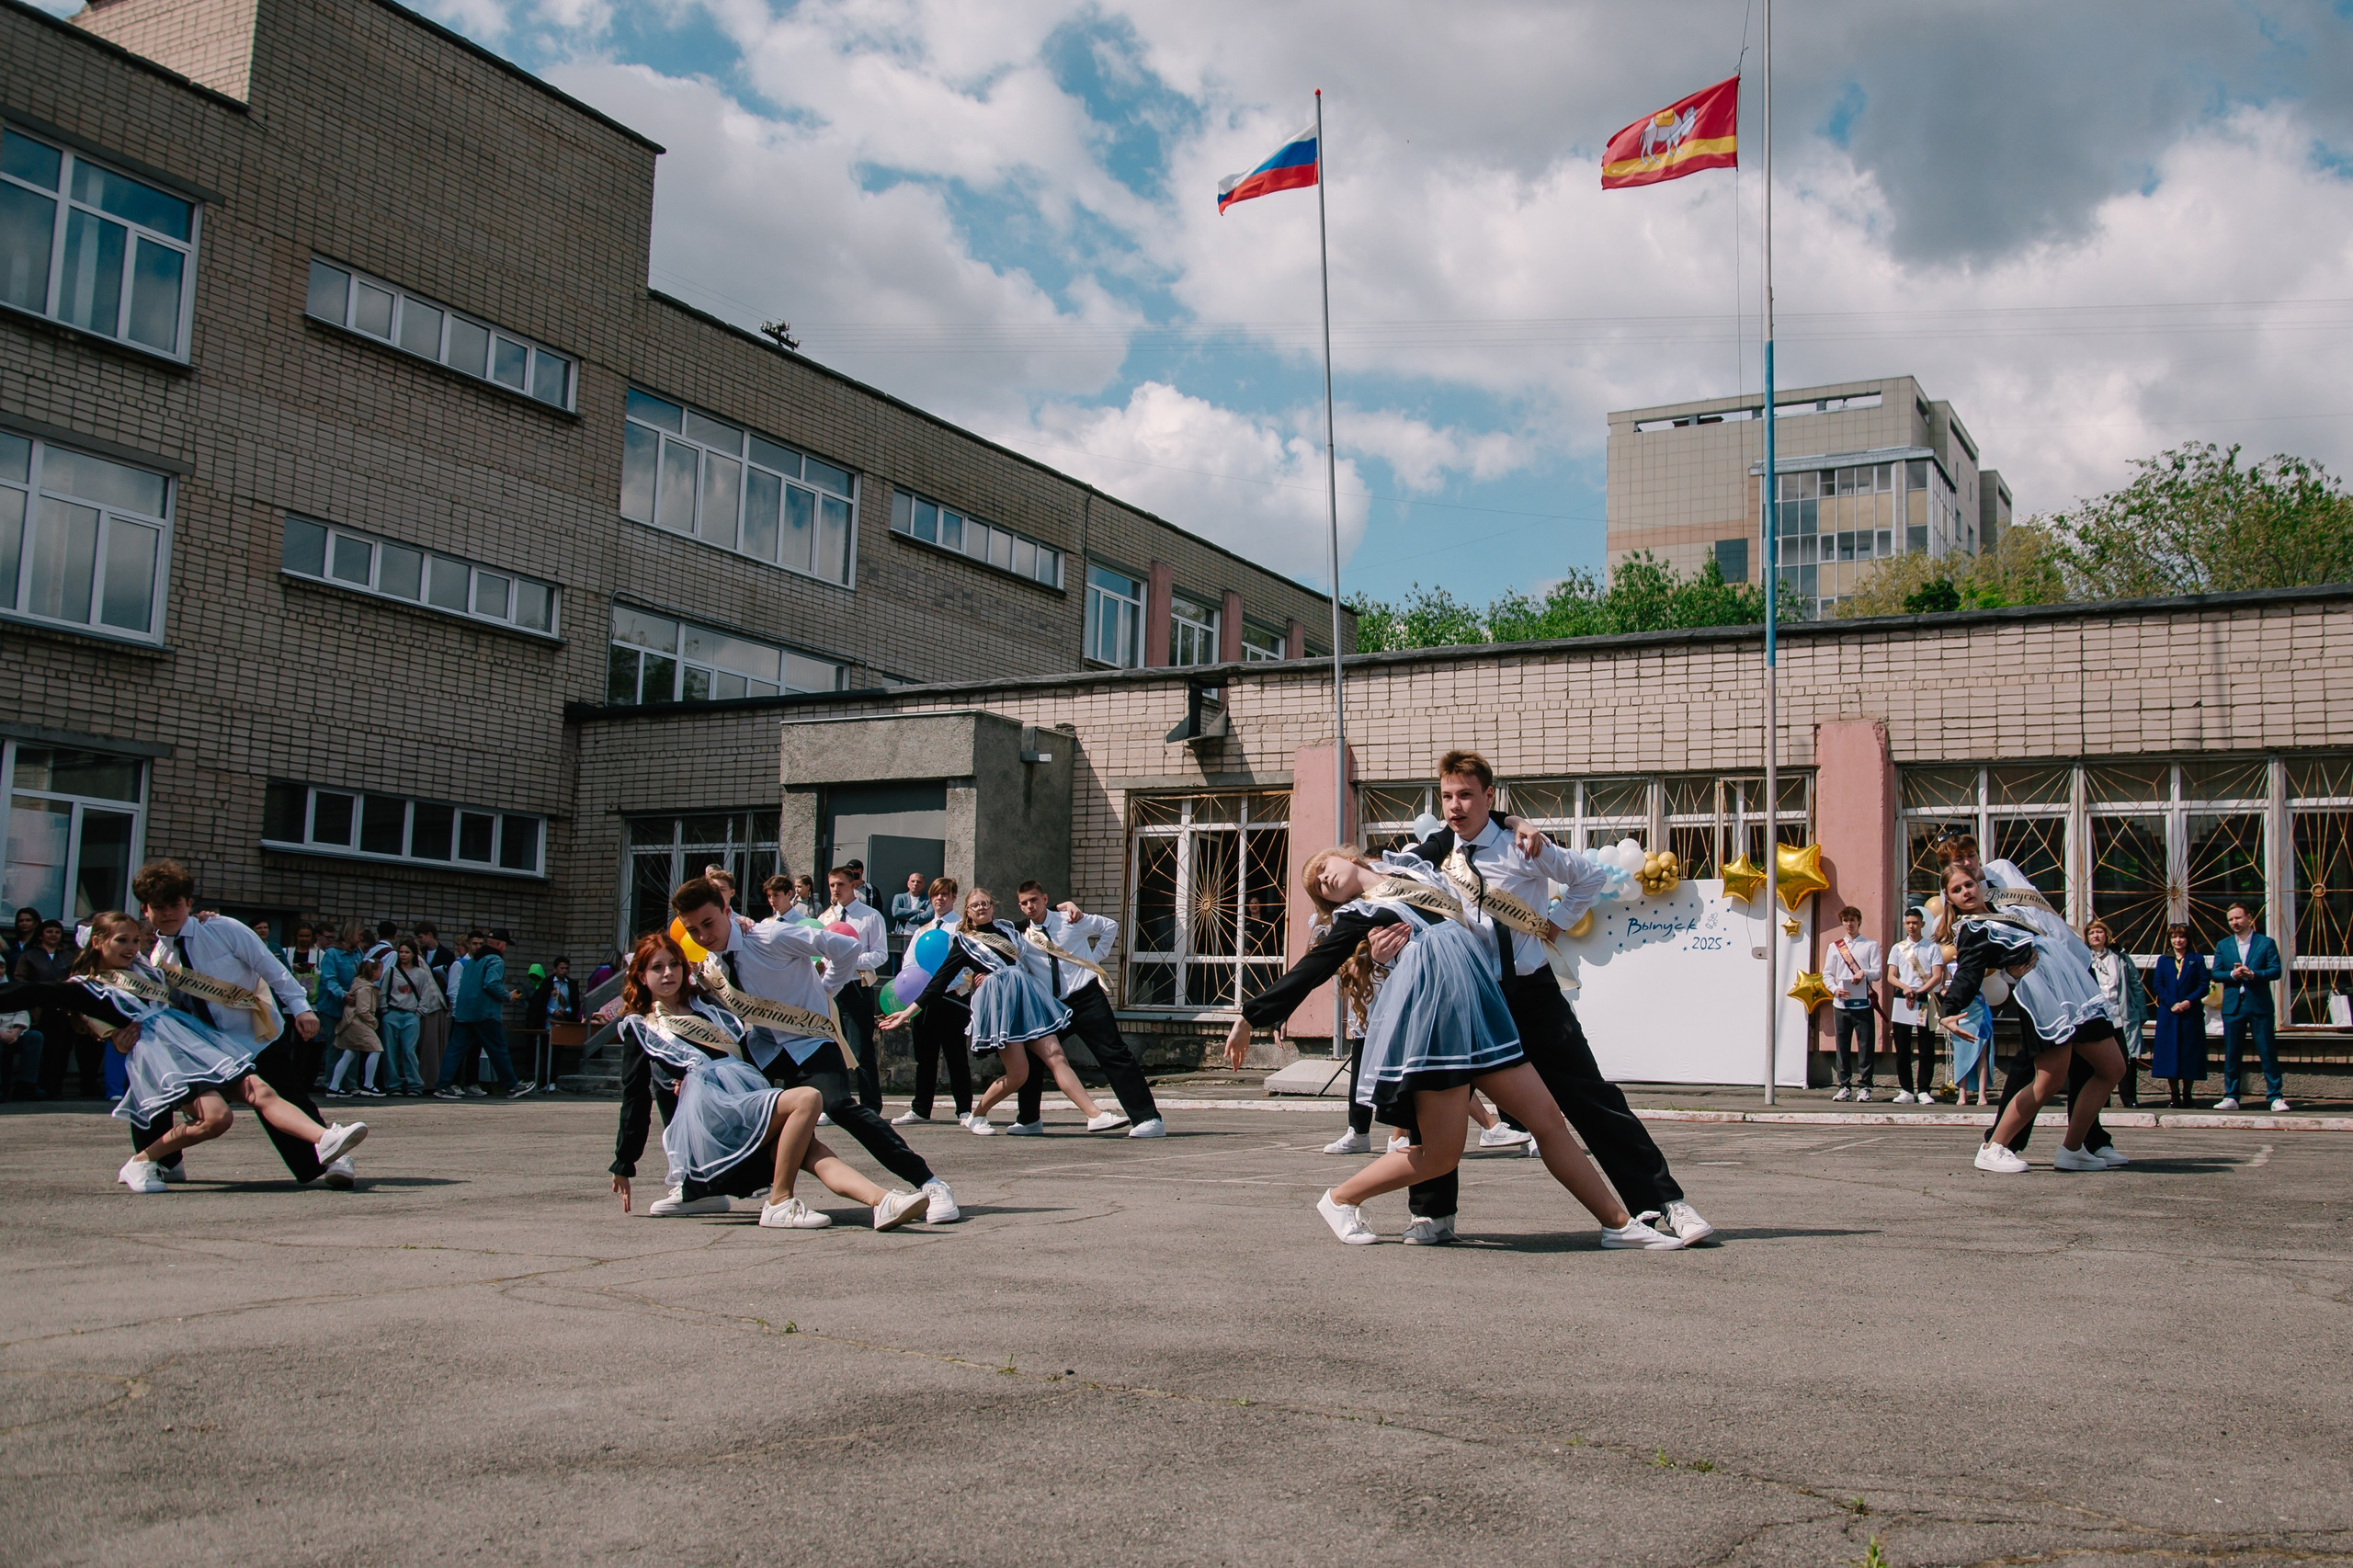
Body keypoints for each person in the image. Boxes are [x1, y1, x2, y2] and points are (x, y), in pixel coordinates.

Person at [1226, 846, 1684, 1248]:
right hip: (1438, 1025)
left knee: (1547, 1119)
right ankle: (1341, 1199)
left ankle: (1618, 1224)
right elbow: (1312, 968)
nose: (1323, 881)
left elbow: (1464, 826)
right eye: (1319, 888)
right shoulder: (1359, 915)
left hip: (1481, 1014)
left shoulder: (1415, 869)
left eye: (1322, 868)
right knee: (1442, 1154)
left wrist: (1514, 821)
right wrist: (1252, 1016)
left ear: (1348, 856)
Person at [1388, 751, 1714, 1245]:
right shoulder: (1434, 856)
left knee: (1590, 1097)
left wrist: (1556, 925)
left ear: (1489, 796)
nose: (1456, 806)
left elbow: (1589, 878)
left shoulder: (1525, 845)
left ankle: (1661, 1203)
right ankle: (1433, 1214)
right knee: (1436, 1103)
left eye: (1467, 795)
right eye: (1448, 796)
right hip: (1466, 998)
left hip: (1530, 993)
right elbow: (1389, 889)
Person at [0, 910, 366, 1192]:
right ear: (97, 942)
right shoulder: (88, 987)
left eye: (133, 940)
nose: (130, 948)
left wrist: (202, 920)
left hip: (196, 1042)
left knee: (261, 1090)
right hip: (162, 1055)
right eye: (120, 941)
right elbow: (34, 993)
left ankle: (325, 1137)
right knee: (217, 1119)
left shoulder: (147, 965)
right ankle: (144, 1160)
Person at [673, 877, 961, 1224]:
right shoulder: (713, 959)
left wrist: (826, 989)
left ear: (726, 910)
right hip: (765, 1046)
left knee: (840, 1106)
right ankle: (697, 1189)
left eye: (708, 923)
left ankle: (930, 1183)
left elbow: (846, 949)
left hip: (808, 1037)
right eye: (693, 930)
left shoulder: (769, 936)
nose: (703, 935)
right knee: (712, 1095)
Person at [607, 932, 925, 1230]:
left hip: (742, 1106)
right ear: (641, 976)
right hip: (717, 1126)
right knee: (808, 1099)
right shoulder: (644, 1025)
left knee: (810, 1150)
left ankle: (883, 1201)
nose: (668, 974)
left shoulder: (708, 1009)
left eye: (674, 964)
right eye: (657, 967)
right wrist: (624, 1162)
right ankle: (779, 1202)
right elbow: (635, 1095)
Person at [136, 862, 349, 1187]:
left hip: (257, 1033)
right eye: (159, 908)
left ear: (189, 904)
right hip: (211, 1049)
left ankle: (328, 1158)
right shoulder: (157, 959)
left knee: (287, 1098)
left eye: (175, 905)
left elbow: (271, 969)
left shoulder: (223, 929)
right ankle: (163, 1162)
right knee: (154, 1088)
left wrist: (301, 1008)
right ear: (145, 911)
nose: (168, 913)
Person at [1931, 835, 2120, 1160]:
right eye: (1957, 886)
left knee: (2112, 1068)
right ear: (1948, 897)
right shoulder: (1974, 928)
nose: (1967, 884)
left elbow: (2044, 921)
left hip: (2074, 984)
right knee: (2044, 1080)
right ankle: (1997, 1145)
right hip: (2044, 998)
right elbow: (1968, 972)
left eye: (1970, 861)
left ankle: (2077, 1147)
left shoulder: (2003, 887)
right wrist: (1950, 1008)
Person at [885, 888, 1116, 1134]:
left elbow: (1037, 912)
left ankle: (1095, 1115)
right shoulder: (964, 942)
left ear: (993, 906)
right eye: (976, 905)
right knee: (1018, 1074)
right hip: (1001, 1008)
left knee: (1057, 1056)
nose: (982, 908)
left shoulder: (1009, 928)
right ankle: (978, 1114)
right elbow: (937, 984)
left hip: (1027, 1000)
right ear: (968, 912)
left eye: (986, 903)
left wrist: (1065, 904)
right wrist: (907, 1013)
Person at [1007, 880, 1166, 1137]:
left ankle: (1149, 1119)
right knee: (1035, 1057)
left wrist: (1093, 959)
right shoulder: (1021, 934)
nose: (1030, 907)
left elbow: (1109, 927)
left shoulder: (1070, 919)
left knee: (1113, 1054)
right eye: (1024, 903)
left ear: (1045, 898)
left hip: (1086, 997)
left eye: (1034, 900)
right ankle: (1029, 1119)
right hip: (1053, 1006)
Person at [884, 877, 973, 1126]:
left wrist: (943, 984)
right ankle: (921, 1108)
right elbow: (910, 963)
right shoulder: (923, 930)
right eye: (936, 894)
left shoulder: (962, 928)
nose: (940, 899)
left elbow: (966, 964)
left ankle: (964, 1109)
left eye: (945, 894)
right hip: (923, 1000)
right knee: (925, 1057)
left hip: (952, 998)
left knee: (956, 1056)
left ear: (954, 897)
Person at [819, 868, 891, 1114]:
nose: (836, 890)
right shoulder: (825, 918)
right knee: (830, 1046)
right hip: (830, 987)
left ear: (852, 886)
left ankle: (871, 1105)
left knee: (860, 1049)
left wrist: (850, 960)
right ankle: (835, 1102)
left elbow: (880, 954)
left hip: (856, 986)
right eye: (831, 885)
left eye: (840, 884)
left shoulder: (870, 917)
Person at [435, 928, 527, 1099]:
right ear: (500, 944)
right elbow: (491, 983)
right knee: (498, 1048)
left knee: (455, 1049)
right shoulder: (495, 960)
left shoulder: (473, 960)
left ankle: (443, 1085)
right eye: (505, 945)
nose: (505, 949)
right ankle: (512, 1085)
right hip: (484, 1012)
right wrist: (508, 995)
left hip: (464, 1012)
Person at [2212, 900, 2286, 1112]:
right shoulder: (2223, 945)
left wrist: (2254, 974)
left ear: (2249, 918)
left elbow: (2275, 971)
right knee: (2232, 1052)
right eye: (2231, 920)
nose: (2234, 922)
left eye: (2238, 918)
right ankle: (2231, 1095)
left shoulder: (2266, 943)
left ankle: (2275, 1096)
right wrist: (2232, 975)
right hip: (2234, 1005)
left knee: (2267, 1051)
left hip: (2258, 1004)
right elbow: (2216, 973)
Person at [2084, 919, 2146, 1108]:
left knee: (2126, 1058)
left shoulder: (2120, 957)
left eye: (2099, 932)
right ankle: (2103, 1099)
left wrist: (2141, 1014)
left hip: (2120, 1015)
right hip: (2097, 1016)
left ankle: (2129, 1098)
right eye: (2092, 933)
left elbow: (2136, 985)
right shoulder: (2084, 959)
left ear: (2106, 935)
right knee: (2099, 1060)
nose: (2096, 936)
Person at [1884, 907, 1944, 1105]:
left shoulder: (1932, 947)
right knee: (1902, 1046)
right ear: (1904, 924)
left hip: (1923, 997)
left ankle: (1924, 1089)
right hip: (1903, 998)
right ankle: (1906, 1089)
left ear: (1922, 924)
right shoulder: (1898, 948)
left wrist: (1919, 991)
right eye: (1908, 923)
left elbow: (1937, 975)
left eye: (1915, 923)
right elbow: (1891, 976)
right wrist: (1906, 988)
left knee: (1926, 1046)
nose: (1912, 926)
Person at [17, 918, 81, 1098]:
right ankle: (39, 1086)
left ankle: (55, 1087)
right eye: (49, 931)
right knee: (44, 1048)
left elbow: (77, 977)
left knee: (61, 1049)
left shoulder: (68, 956)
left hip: (64, 1007)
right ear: (42, 934)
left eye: (57, 932)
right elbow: (20, 979)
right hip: (40, 1008)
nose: (53, 935)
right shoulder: (30, 955)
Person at [1825, 904, 1881, 1102]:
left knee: (1865, 1046)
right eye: (1846, 920)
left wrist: (1863, 972)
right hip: (1841, 1003)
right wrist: (1834, 989)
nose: (1849, 924)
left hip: (1863, 1003)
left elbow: (1878, 972)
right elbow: (1827, 974)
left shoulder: (1870, 945)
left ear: (1859, 921)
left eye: (1852, 920)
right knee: (1842, 1046)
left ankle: (1865, 1086)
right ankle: (1844, 1085)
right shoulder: (1835, 947)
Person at [2150, 924, 2210, 1108]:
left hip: (2190, 1014)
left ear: (2187, 939)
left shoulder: (2196, 960)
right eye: (2174, 937)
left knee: (2189, 1054)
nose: (2178, 941)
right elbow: (2158, 985)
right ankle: (2174, 1095)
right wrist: (2171, 1003)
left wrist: (2189, 1001)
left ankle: (2187, 1094)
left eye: (2181, 937)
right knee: (2170, 1054)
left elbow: (2203, 984)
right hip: (2169, 1014)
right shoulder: (2163, 960)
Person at [381, 938, 438, 1096]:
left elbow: (426, 995)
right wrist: (385, 1010)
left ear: (413, 954)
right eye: (401, 952)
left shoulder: (420, 974)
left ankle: (414, 1084)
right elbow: (383, 992)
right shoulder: (391, 971)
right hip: (392, 1012)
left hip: (411, 1014)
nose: (403, 955)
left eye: (407, 952)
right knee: (390, 1052)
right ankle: (393, 1085)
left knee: (408, 1051)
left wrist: (419, 1013)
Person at [326, 957, 385, 1096]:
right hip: (358, 1022)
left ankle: (334, 1087)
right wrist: (374, 1022)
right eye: (380, 970)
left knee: (350, 1052)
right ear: (373, 972)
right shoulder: (365, 988)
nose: (381, 973)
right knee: (376, 1049)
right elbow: (362, 1010)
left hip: (350, 1021)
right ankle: (368, 1085)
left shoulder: (358, 984)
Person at [415, 922, 457, 1089]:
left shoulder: (446, 954)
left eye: (421, 936)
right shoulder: (421, 953)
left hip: (438, 999)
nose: (420, 940)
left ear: (430, 934)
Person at [1, 1005, 42, 1099]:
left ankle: (26, 1085)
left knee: (35, 1037)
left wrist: (18, 1030)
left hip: (12, 1032)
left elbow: (22, 1011)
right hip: (1, 1032)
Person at [890, 872, 928, 940]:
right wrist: (918, 911)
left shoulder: (928, 899)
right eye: (913, 881)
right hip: (902, 936)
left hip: (921, 936)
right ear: (908, 884)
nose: (915, 884)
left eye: (918, 882)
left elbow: (929, 915)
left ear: (923, 885)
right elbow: (896, 912)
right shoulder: (899, 897)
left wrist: (909, 918)